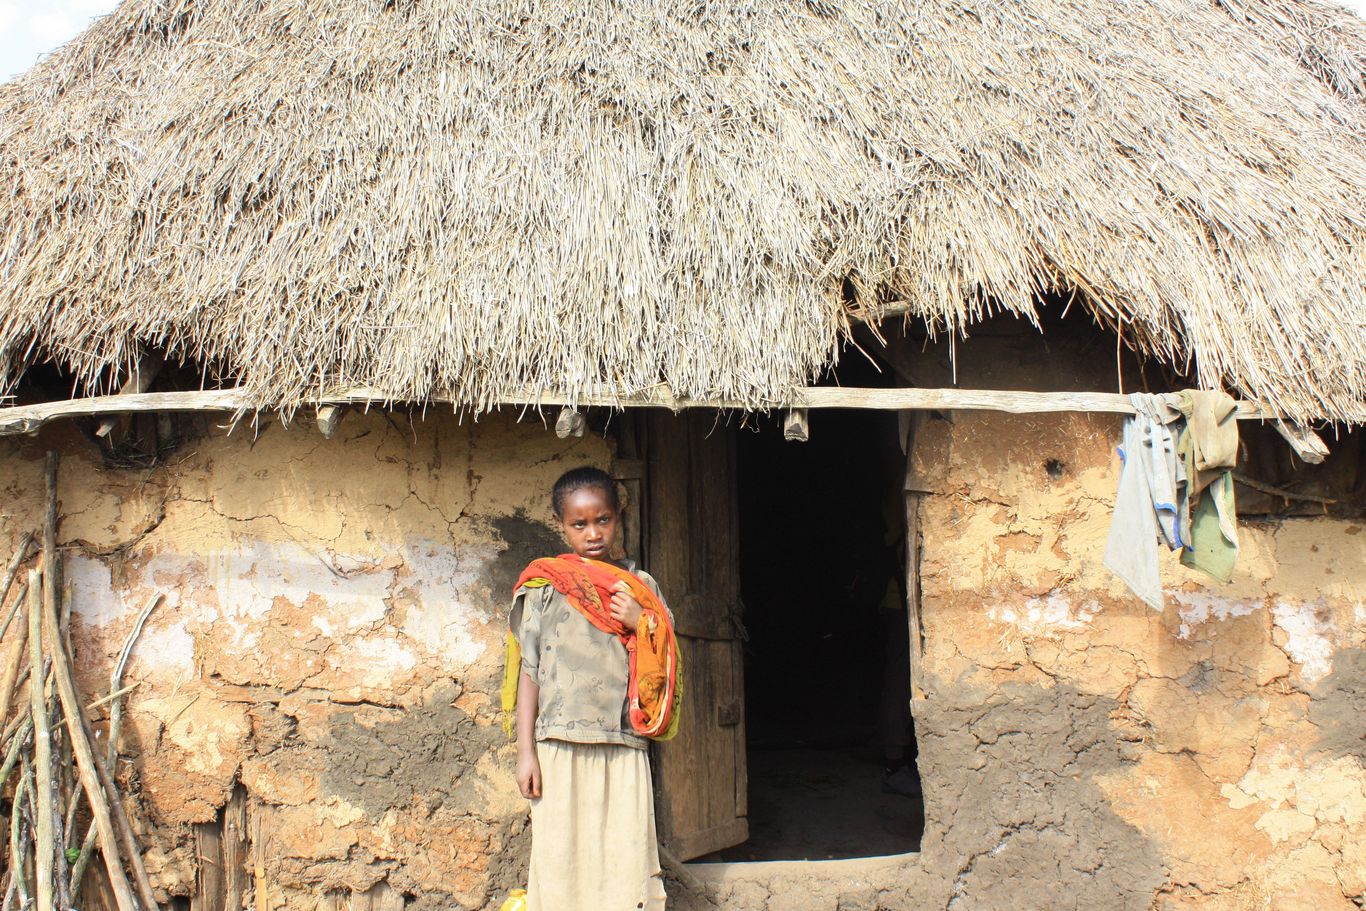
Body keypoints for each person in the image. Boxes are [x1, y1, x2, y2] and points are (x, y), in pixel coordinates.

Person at [505, 466, 675, 911]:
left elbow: (669, 659)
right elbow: (530, 672)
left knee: (625, 857)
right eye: (579, 524)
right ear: (560, 525)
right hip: (558, 746)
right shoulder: (544, 589)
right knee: (560, 857)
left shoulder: (640, 588)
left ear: (619, 517)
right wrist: (526, 752)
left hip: (622, 743)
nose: (593, 533)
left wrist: (642, 623)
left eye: (603, 520)